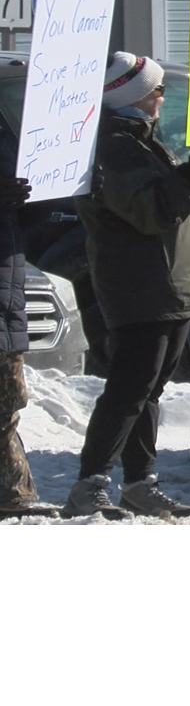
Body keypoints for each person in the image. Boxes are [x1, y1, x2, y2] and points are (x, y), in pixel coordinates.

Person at [64, 53, 190, 518]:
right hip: (140, 285)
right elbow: (151, 213)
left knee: (147, 392)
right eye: (156, 90)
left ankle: (139, 482)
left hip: (171, 285)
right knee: (129, 389)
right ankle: (90, 484)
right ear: (132, 95)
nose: (162, 99)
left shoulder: (145, 144)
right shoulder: (114, 147)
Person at [1, 128, 34, 516]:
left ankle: (12, 494)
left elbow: (28, 221)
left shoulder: (7, 136)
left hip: (7, 292)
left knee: (9, 400)